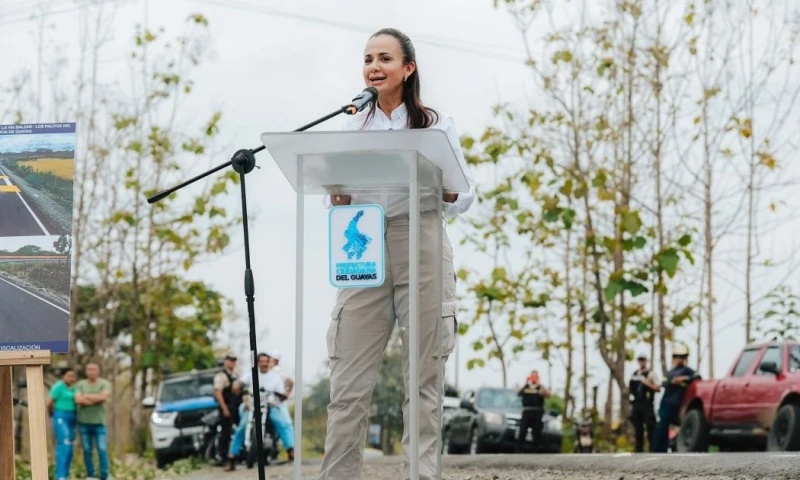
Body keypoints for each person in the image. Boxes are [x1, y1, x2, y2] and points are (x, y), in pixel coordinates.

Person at [319, 27, 475, 480]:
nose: (374, 66)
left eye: (385, 58)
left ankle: (420, 475)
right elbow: (334, 192)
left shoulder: (435, 124)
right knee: (347, 380)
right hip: (361, 237)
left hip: (420, 235)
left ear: (408, 68)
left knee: (422, 376)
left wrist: (443, 186)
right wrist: (338, 196)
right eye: (368, 59)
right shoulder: (350, 125)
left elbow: (464, 195)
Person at [652, 344, 700, 452]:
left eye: (682, 357)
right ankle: (659, 450)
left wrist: (684, 378)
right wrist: (672, 381)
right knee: (662, 427)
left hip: (678, 403)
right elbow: (664, 383)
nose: (680, 359)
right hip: (666, 402)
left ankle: (671, 448)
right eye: (677, 356)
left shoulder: (688, 371)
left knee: (675, 427)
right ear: (673, 358)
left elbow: (698, 376)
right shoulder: (670, 372)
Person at [74, 363, 111, 480]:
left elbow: (103, 397)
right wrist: (96, 398)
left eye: (94, 369)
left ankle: (104, 475)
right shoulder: (80, 384)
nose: (92, 372)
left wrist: (86, 397)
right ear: (86, 371)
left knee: (102, 449)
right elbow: (78, 399)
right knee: (86, 450)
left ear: (98, 371)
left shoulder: (104, 383)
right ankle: (91, 475)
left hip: (100, 424)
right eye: (89, 369)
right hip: (84, 423)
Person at [213, 353, 244, 471]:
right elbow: (218, 393)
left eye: (234, 360)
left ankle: (238, 455)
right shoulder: (221, 376)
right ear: (226, 361)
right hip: (227, 407)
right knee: (226, 432)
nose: (232, 363)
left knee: (241, 429)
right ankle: (224, 457)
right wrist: (224, 408)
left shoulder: (236, 375)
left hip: (237, 406)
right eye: (230, 360)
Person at [48, 367, 78, 480]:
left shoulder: (75, 388)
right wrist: (52, 414)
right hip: (60, 415)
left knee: (70, 445)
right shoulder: (58, 386)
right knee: (64, 443)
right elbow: (49, 403)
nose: (71, 378)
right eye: (69, 375)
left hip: (73, 416)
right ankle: (59, 475)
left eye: (73, 376)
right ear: (63, 376)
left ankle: (66, 474)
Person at [629, 354, 660, 453]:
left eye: (643, 360)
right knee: (638, 428)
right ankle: (638, 450)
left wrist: (647, 383)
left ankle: (653, 449)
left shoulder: (651, 374)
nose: (641, 362)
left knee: (650, 427)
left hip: (647, 404)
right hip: (636, 404)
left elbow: (658, 388)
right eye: (640, 360)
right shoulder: (635, 374)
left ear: (646, 361)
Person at [516, 370, 550, 453]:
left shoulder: (540, 387)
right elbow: (518, 393)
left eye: (535, 377)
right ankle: (519, 451)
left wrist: (540, 384)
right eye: (532, 376)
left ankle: (535, 451)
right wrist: (526, 383)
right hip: (526, 411)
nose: (534, 378)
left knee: (536, 432)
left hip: (537, 412)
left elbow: (548, 395)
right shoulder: (526, 387)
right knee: (522, 431)